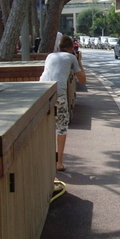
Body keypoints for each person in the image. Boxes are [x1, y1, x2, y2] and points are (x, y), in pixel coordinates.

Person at [40, 35, 86, 171]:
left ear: (58, 48)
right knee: (62, 126)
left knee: (44, 126)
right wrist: (79, 61)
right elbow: (83, 80)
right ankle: (59, 162)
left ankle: (45, 160)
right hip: (59, 93)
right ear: (71, 49)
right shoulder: (71, 57)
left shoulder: (50, 56)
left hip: (42, 92)